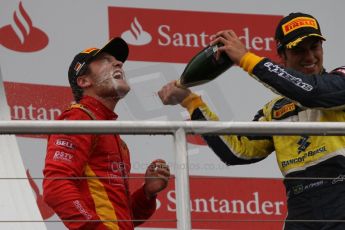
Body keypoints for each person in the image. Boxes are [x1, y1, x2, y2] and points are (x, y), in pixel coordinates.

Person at [158, 12, 345, 230]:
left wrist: (245, 58)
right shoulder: (274, 111)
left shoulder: (340, 79)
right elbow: (238, 151)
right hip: (300, 208)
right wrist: (191, 101)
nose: (310, 56)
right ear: (282, 57)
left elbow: (313, 94)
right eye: (299, 50)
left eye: (315, 47)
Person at [43, 37, 170, 230]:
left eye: (116, 61)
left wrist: (146, 194)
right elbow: (56, 186)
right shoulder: (79, 118)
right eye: (105, 60)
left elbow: (122, 218)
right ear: (84, 81)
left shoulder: (113, 135)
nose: (118, 63)